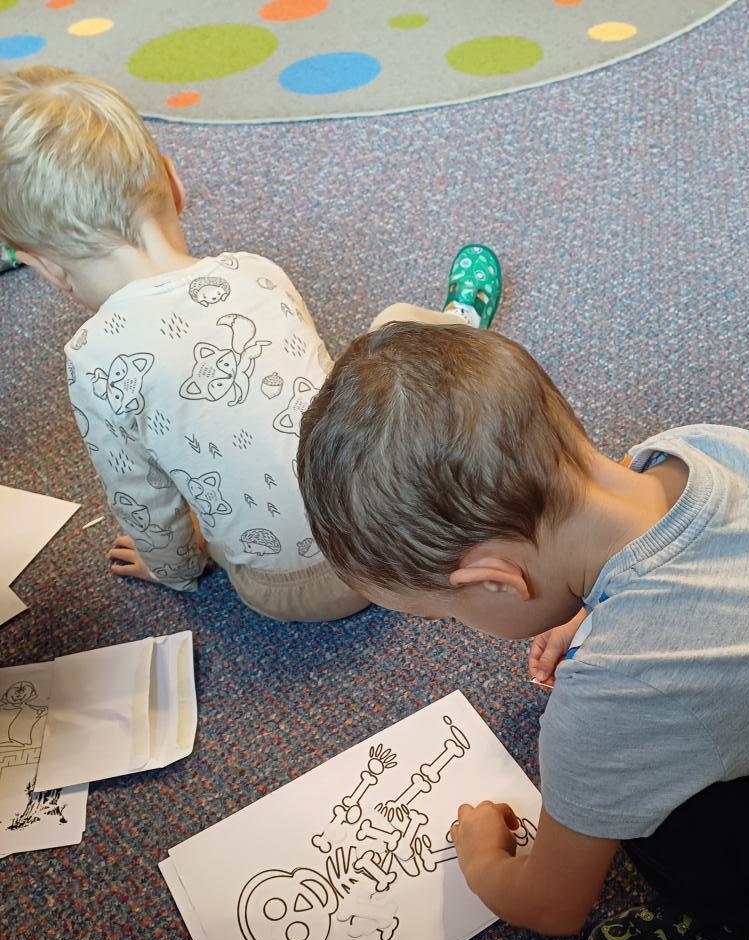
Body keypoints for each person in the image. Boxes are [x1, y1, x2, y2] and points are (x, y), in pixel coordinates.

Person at [296, 321, 749, 940]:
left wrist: (481, 856)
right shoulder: (690, 449)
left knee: (639, 797)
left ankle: (740, 929)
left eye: (444, 615)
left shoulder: (617, 697)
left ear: (496, 582)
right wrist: (589, 613)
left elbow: (551, 905)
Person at [0, 65, 501, 621]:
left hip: (292, 589)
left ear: (46, 269)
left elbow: (142, 499)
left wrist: (175, 569)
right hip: (401, 532)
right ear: (174, 183)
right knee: (386, 338)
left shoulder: (93, 361)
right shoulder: (255, 271)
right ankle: (456, 328)